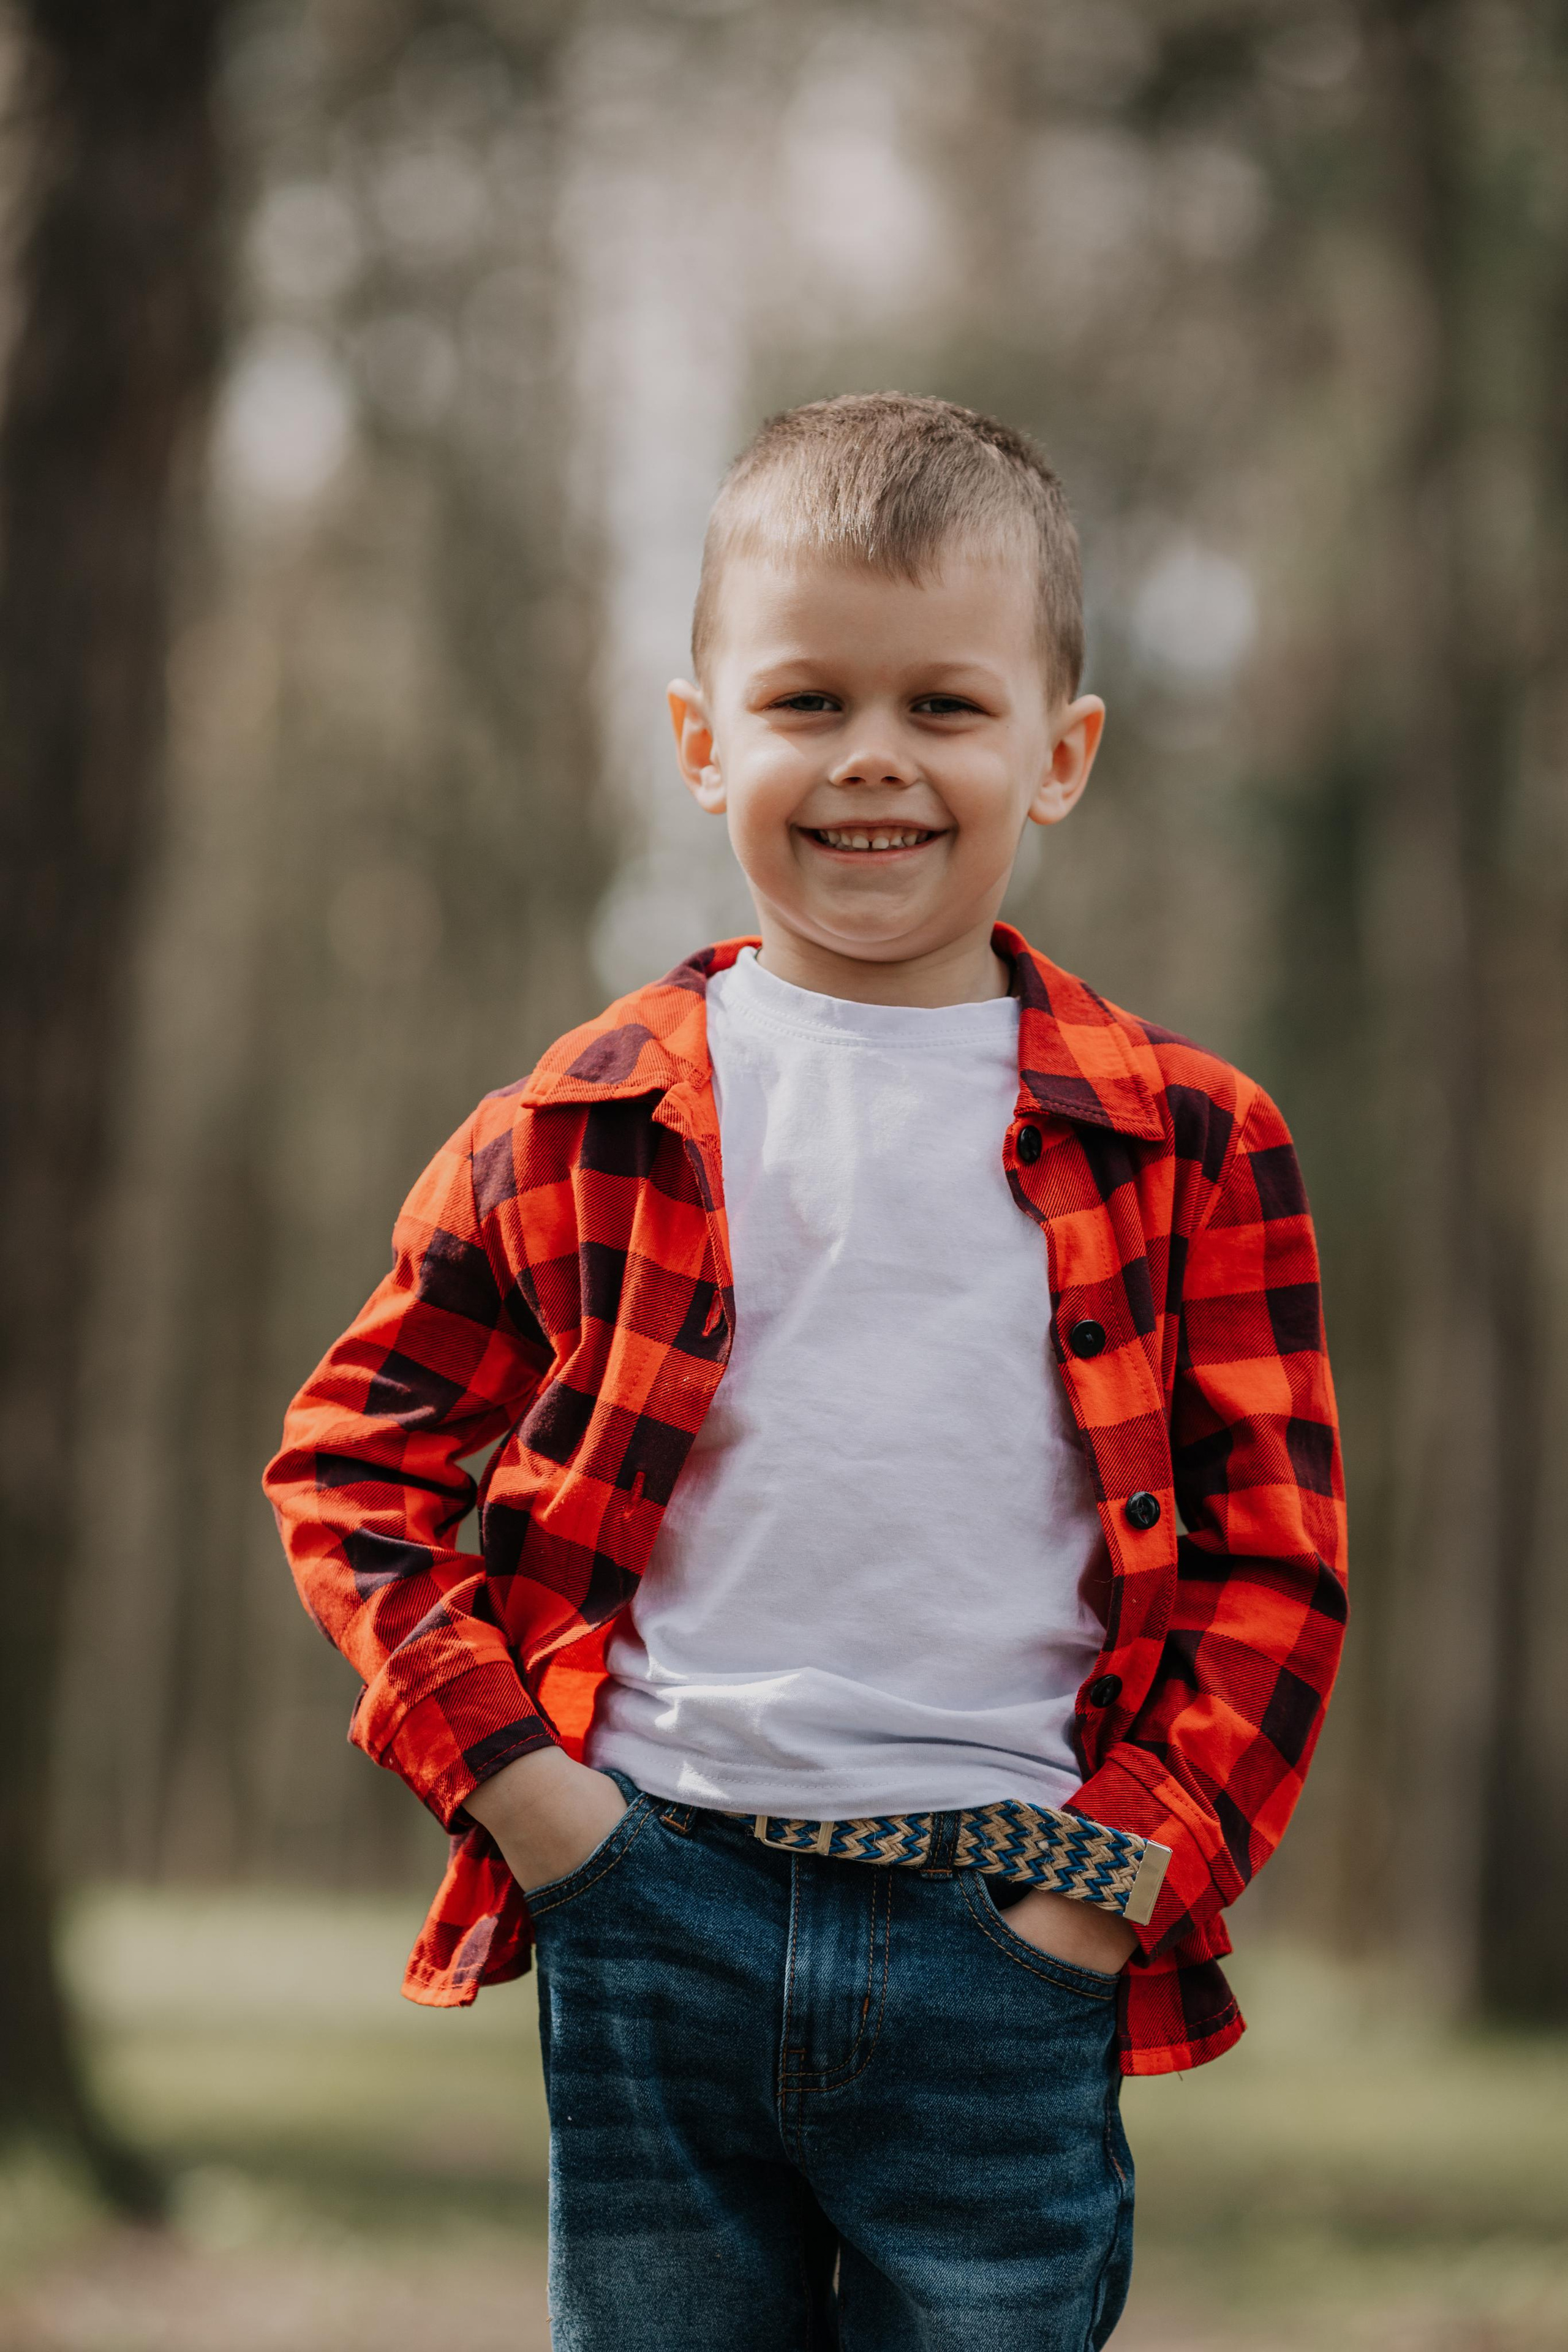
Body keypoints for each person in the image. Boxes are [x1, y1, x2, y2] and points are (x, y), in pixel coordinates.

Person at [265, 392, 1347, 2350]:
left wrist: (1113, 1885)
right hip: (651, 1900)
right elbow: (353, 1464)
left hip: (1013, 1925)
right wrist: (526, 1800)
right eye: (803, 704)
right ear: (700, 742)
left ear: (1061, 754)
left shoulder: (1193, 1140)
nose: (873, 761)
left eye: (946, 706)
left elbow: (1276, 1565)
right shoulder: (574, 1125)